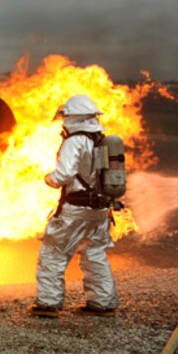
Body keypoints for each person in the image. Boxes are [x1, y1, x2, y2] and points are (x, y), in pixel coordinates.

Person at [29, 94, 120, 318]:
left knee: (53, 252)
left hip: (75, 210)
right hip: (99, 210)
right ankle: (103, 304)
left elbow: (64, 174)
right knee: (94, 253)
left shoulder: (75, 141)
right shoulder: (100, 140)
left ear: (72, 118)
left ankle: (48, 304)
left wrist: (48, 178)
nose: (63, 122)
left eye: (65, 118)